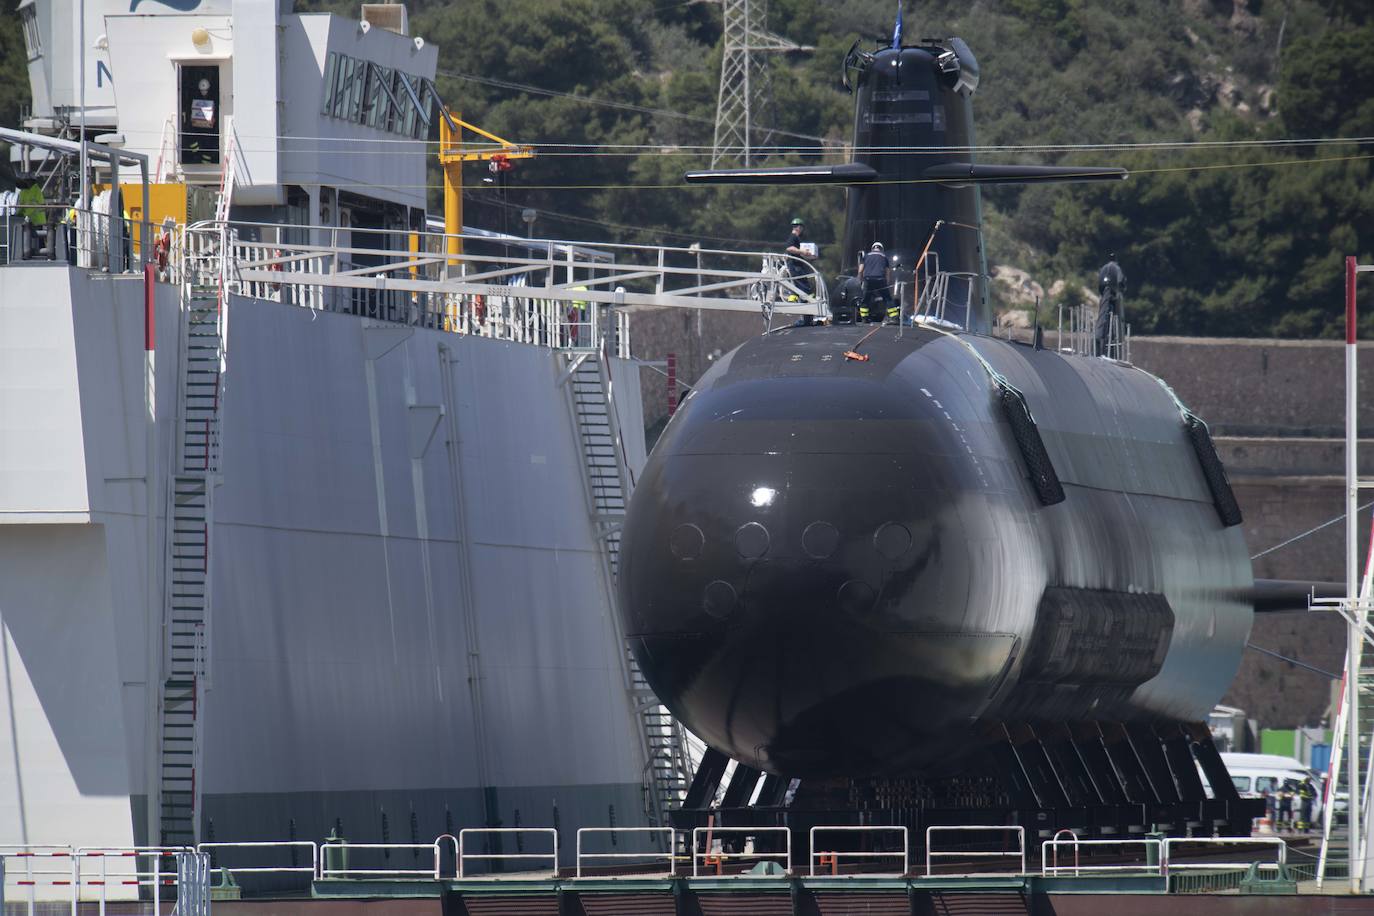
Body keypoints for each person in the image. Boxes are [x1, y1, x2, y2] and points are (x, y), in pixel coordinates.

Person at [1093, 252, 1126, 356]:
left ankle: (1100, 337)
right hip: (1113, 293)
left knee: (1103, 312)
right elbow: (1121, 281)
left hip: (1103, 292)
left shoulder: (1103, 268)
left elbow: (1099, 283)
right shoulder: (1117, 268)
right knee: (1118, 314)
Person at [782, 217, 818, 297]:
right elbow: (790, 248)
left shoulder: (798, 238)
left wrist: (810, 256)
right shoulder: (793, 237)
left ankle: (796, 298)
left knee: (797, 283)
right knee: (802, 282)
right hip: (794, 264)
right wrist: (803, 252)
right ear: (799, 227)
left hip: (798, 264)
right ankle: (808, 298)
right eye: (801, 227)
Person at [858, 242, 892, 323]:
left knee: (865, 299)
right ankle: (894, 317)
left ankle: (864, 318)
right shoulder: (884, 257)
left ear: (872, 248)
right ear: (881, 249)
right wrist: (886, 283)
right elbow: (887, 272)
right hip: (880, 279)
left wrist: (860, 280)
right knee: (887, 298)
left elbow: (860, 270)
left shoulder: (866, 256)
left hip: (868, 279)